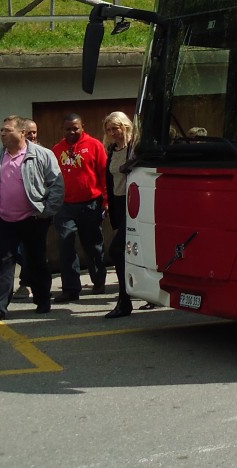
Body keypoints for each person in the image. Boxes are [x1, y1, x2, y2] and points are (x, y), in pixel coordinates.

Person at [0, 115, 64, 324]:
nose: (2, 133)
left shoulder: (42, 155)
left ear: (22, 133)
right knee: (3, 263)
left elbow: (56, 184)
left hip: (33, 219)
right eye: (1, 130)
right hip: (3, 220)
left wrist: (46, 211)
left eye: (7, 130)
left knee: (37, 261)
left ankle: (43, 300)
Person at [52, 113, 108, 302]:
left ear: (82, 127)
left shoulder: (95, 145)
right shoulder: (57, 150)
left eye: (75, 128)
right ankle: (70, 289)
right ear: (63, 129)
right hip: (65, 205)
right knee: (66, 244)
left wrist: (106, 201)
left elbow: (104, 174)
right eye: (67, 129)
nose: (71, 132)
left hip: (90, 203)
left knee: (92, 245)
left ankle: (98, 281)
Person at [102, 111, 136, 319]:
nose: (112, 132)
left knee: (116, 250)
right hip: (119, 205)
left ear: (125, 126)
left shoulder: (135, 149)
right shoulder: (112, 150)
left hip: (135, 205)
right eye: (109, 129)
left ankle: (124, 300)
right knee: (127, 252)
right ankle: (128, 298)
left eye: (115, 128)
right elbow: (111, 181)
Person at [10, 118, 41, 301]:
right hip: (13, 213)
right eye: (29, 132)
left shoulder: (43, 154)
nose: (32, 135)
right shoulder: (11, 154)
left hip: (36, 213)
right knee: (18, 251)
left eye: (35, 132)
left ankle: (29, 285)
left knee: (31, 250)